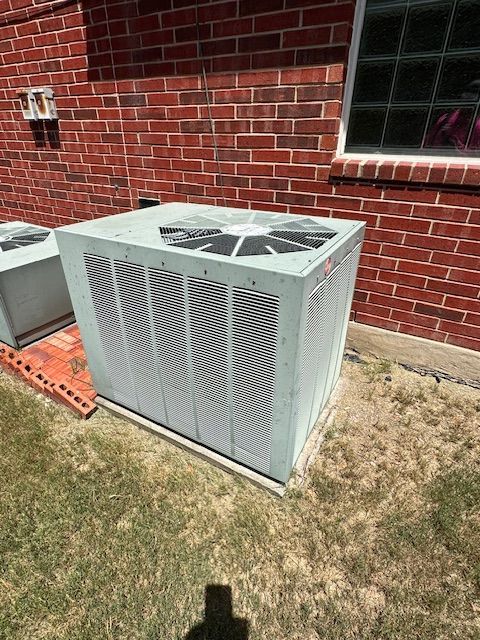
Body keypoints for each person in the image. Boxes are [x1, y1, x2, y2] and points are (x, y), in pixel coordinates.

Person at [424, 79, 480, 152]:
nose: (467, 97)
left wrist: (457, 149)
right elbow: (427, 145)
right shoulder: (445, 119)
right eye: (467, 93)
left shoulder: (477, 126)